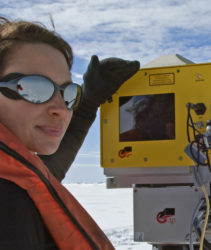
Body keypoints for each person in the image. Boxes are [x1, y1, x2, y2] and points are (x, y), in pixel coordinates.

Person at [0, 16, 140, 249]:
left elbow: (42, 174)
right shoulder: (7, 206)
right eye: (34, 88)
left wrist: (87, 103)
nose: (60, 109)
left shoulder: (14, 182)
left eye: (67, 93)